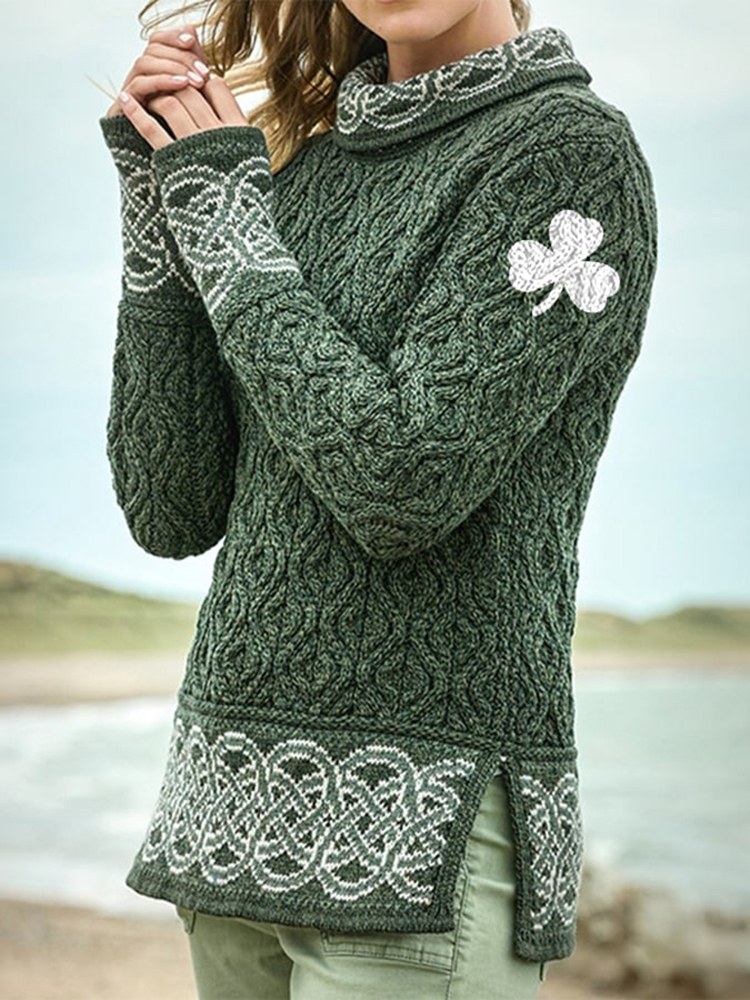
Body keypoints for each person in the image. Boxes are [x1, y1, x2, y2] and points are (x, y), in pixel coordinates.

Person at [97, 0, 658, 997]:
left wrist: (228, 226)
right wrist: (161, 205)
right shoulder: (299, 173)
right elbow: (169, 505)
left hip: (423, 841)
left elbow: (402, 482)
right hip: (226, 818)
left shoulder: (568, 156)